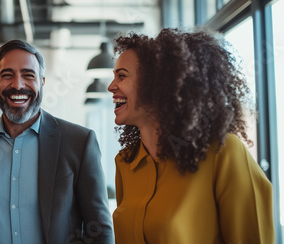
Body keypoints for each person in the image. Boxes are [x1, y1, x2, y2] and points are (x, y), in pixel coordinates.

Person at [107, 28, 274, 243]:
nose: (111, 87)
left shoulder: (223, 153)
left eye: (122, 76)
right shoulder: (125, 163)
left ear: (157, 85)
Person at [0, 39, 113, 244]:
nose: (17, 85)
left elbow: (100, 228)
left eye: (28, 75)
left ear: (42, 81)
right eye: (7, 75)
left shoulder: (79, 142)